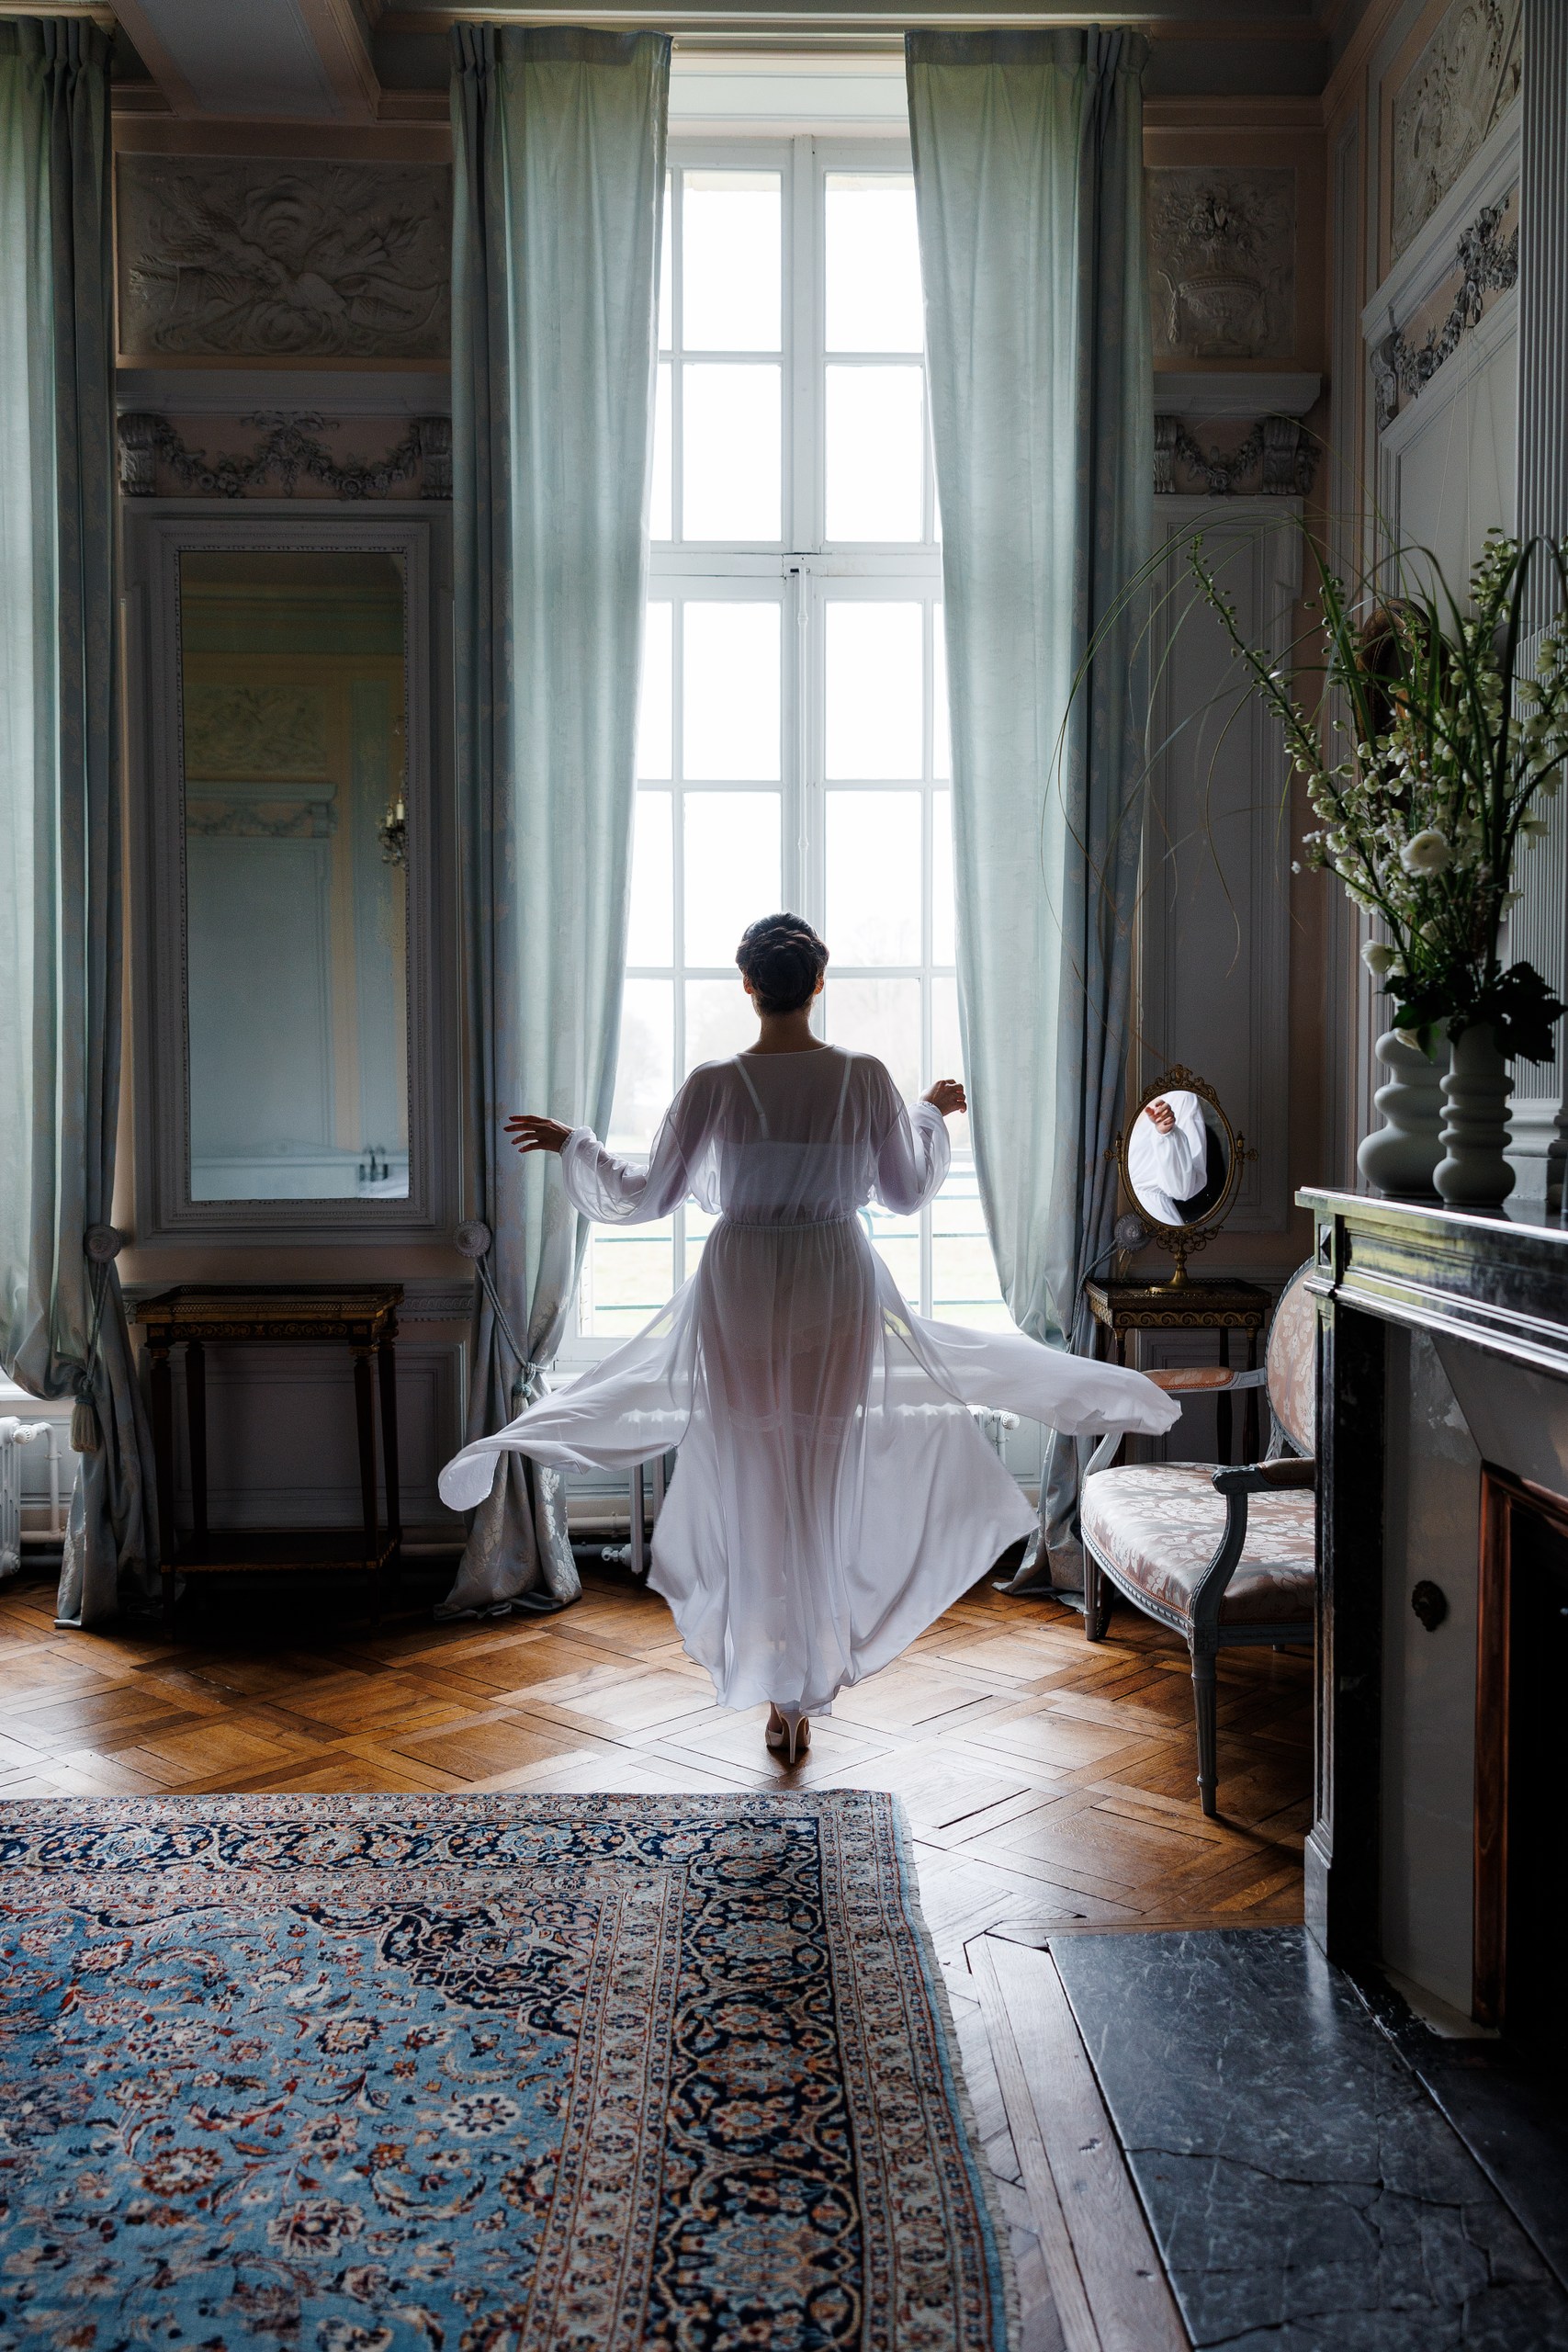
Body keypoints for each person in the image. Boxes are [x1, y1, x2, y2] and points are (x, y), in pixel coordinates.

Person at [439, 913, 1179, 1763]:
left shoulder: (714, 1082)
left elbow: (645, 1196)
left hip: (744, 1282)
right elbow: (903, 1195)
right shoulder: (862, 1076)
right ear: (818, 984)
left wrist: (575, 1144)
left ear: (747, 985)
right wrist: (930, 1115)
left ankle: (775, 1683)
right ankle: (800, 1682)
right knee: (818, 1472)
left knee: (755, 1471)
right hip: (832, 1275)